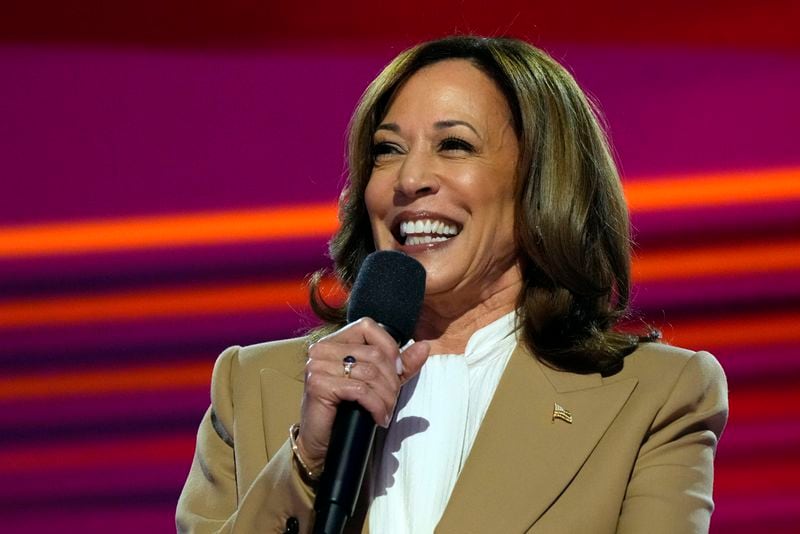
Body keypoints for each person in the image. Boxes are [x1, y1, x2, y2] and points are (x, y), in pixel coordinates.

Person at [176, 36, 728, 534]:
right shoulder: (254, 386)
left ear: (542, 183)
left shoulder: (655, 396)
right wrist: (308, 461)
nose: (410, 179)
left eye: (455, 145)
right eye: (387, 150)